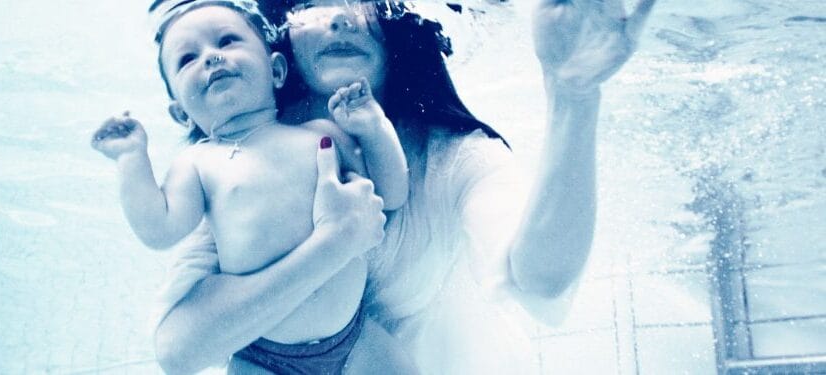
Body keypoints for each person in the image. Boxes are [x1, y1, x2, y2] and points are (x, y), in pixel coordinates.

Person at [150, 0, 657, 373]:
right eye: (308, 5)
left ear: (402, 22)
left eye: (364, 1)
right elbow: (181, 347)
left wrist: (573, 95)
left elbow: (540, 278)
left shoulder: (454, 157)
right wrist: (331, 246)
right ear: (279, 42)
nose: (340, 17)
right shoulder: (239, 164)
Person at [93, 1, 414, 373]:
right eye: (187, 59)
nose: (211, 58)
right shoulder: (197, 164)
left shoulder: (320, 135)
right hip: (264, 356)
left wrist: (374, 128)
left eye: (227, 41)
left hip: (354, 337)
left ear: (276, 70)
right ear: (180, 112)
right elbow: (159, 230)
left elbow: (391, 196)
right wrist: (131, 159)